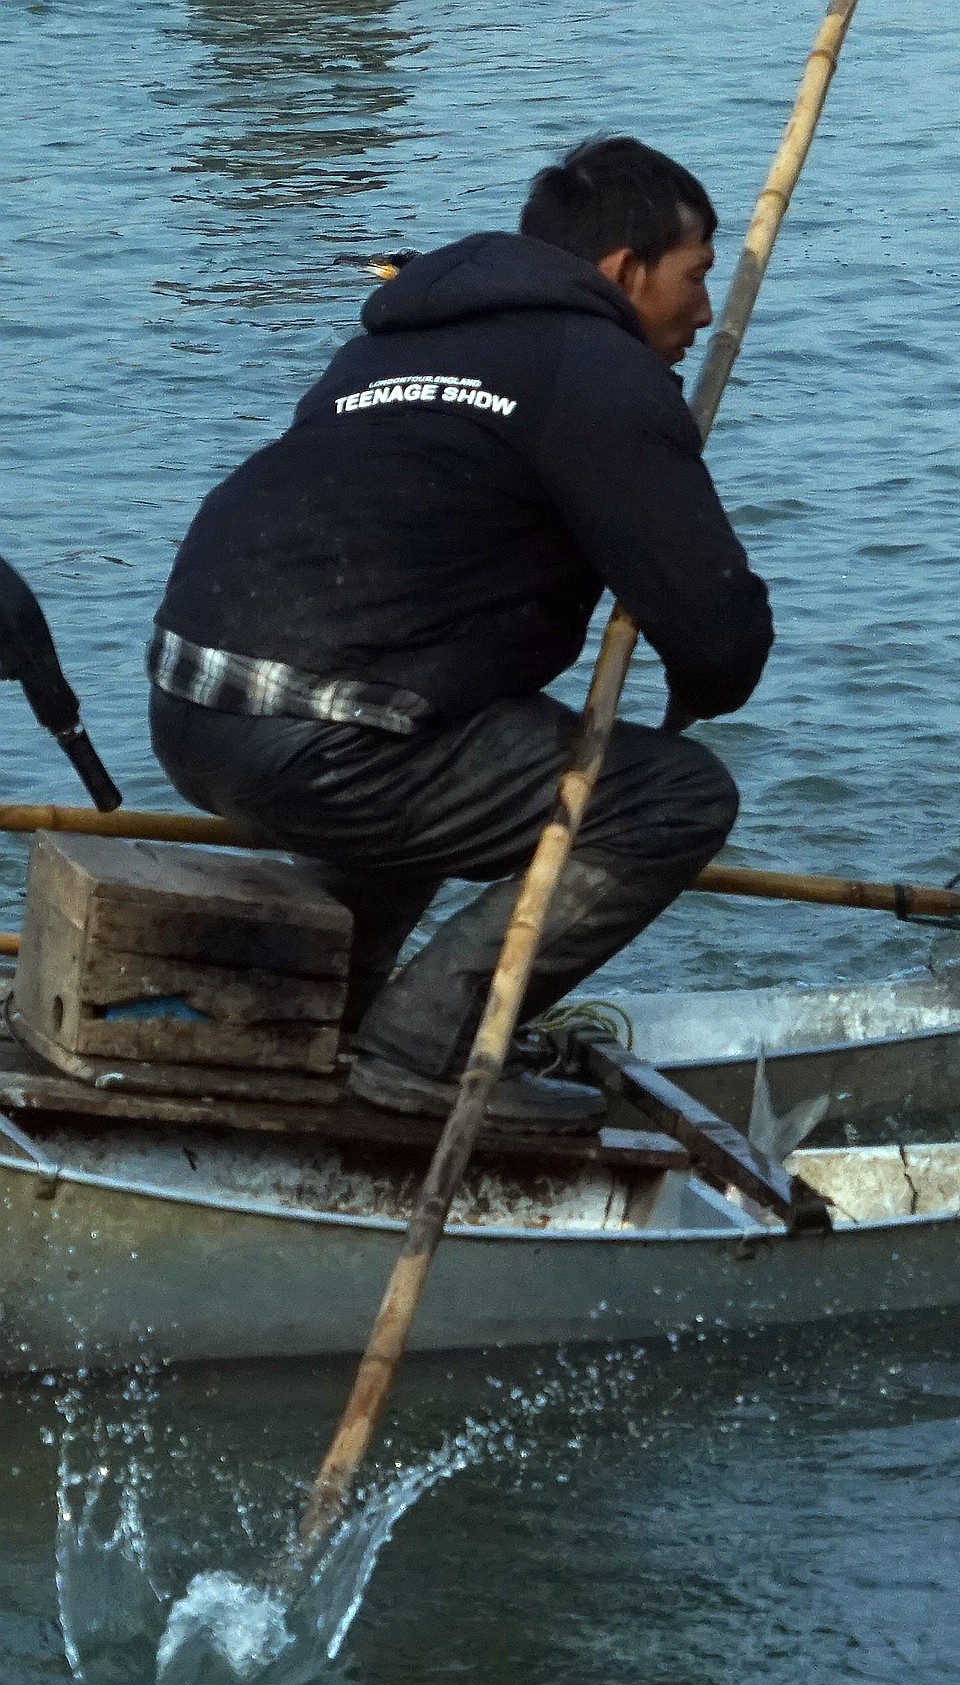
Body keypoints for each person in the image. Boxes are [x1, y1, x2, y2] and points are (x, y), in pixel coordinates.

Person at [148, 135, 774, 1128]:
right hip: (334, 739)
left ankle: (326, 1011)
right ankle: (424, 1048)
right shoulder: (600, 371)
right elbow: (716, 637)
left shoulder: (385, 346)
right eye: (695, 278)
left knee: (448, 720)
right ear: (623, 270)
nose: (704, 311)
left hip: (190, 707)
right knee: (672, 798)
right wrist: (697, 679)